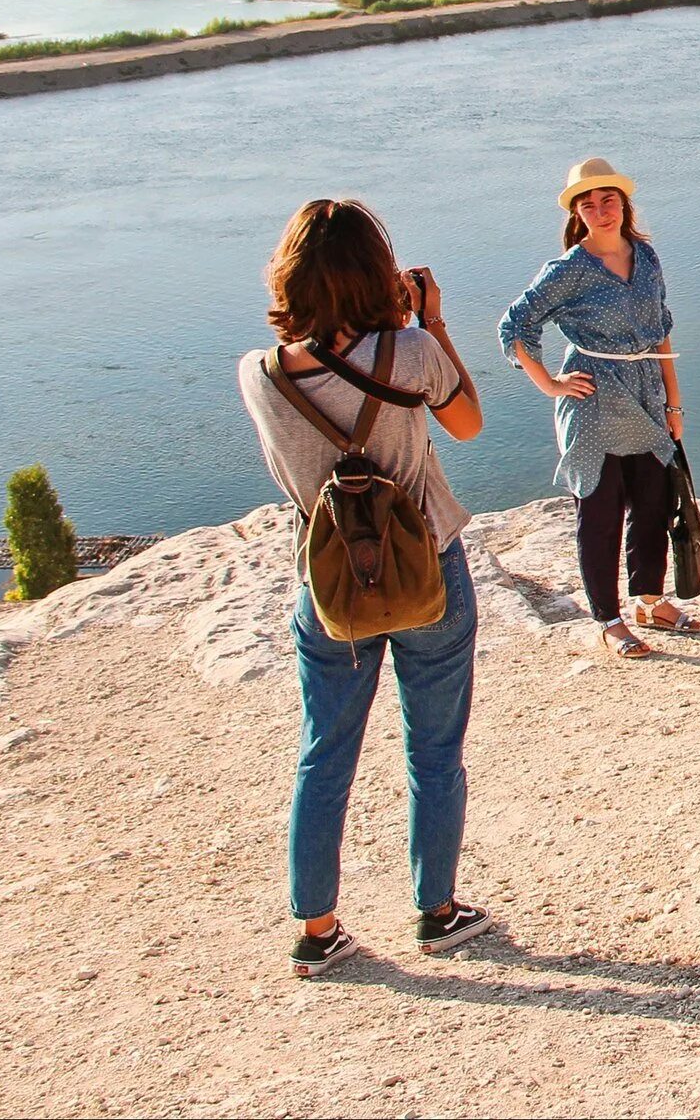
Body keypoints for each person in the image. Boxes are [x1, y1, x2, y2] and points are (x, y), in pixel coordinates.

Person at [238, 198, 492, 978]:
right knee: (434, 748)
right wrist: (432, 321)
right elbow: (469, 422)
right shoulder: (411, 351)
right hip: (426, 572)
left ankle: (316, 930)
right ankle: (438, 912)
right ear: (374, 271)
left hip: (330, 586)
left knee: (325, 751)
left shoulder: (259, 373)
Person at [500, 156, 694, 660]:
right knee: (601, 512)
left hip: (647, 392)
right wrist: (550, 383)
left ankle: (650, 601)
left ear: (623, 204)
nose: (601, 210)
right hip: (592, 399)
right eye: (589, 204)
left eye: (609, 200)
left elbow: (662, 329)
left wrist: (674, 402)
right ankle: (608, 619)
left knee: (654, 501)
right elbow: (516, 325)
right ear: (578, 213)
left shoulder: (646, 258)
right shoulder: (569, 269)